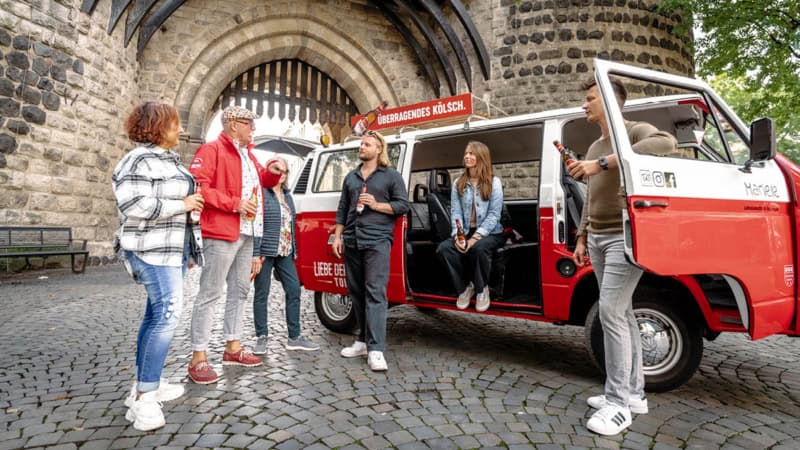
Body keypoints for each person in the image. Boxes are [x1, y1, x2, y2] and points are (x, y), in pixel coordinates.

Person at [569, 77, 677, 436]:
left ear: (612, 102)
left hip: (624, 237)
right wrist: (582, 236)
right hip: (598, 237)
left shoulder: (631, 130)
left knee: (610, 311)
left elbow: (667, 142)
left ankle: (617, 403)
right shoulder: (592, 146)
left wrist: (602, 163)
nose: (583, 104)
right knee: (623, 312)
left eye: (589, 98)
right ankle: (634, 394)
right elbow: (591, 195)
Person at [112, 101, 205, 431]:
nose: (181, 129)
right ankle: (144, 398)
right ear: (156, 125)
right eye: (175, 123)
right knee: (166, 315)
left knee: (156, 315)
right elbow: (133, 203)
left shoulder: (169, 160)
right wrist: (182, 203)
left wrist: (191, 243)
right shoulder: (138, 160)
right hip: (150, 251)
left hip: (172, 250)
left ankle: (145, 383)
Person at [187, 105, 282, 384]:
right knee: (210, 292)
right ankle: (198, 357)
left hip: (248, 232)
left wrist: (273, 173)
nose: (254, 129)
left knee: (240, 291)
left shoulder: (249, 155)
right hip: (222, 230)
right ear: (233, 125)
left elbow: (262, 181)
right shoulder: (211, 150)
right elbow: (200, 188)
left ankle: (233, 347)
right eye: (250, 124)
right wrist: (234, 204)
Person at [332, 130, 409, 372]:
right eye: (361, 143)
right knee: (356, 293)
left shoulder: (391, 176)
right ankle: (362, 341)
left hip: (377, 241)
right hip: (352, 240)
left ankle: (376, 350)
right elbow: (343, 208)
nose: (362, 146)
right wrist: (337, 236)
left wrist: (376, 205)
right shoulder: (352, 177)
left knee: (376, 293)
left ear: (378, 150)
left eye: (367, 144)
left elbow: (403, 205)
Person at [252, 157, 319, 354]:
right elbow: (256, 225)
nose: (282, 173)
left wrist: (295, 249)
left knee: (294, 290)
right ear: (268, 169)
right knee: (261, 294)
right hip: (265, 251)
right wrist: (255, 253)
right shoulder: (262, 194)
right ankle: (261, 336)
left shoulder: (288, 196)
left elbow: (290, 225)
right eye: (277, 169)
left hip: (285, 251)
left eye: (285, 170)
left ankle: (294, 336)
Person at [436, 141, 505, 312]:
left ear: (481, 157)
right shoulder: (459, 183)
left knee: (479, 249)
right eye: (466, 153)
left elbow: (494, 215)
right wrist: (460, 237)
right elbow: (456, 214)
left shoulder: (494, 182)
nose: (467, 156)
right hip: (465, 230)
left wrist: (474, 239)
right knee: (444, 249)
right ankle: (464, 288)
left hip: (491, 232)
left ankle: (482, 289)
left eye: (472, 154)